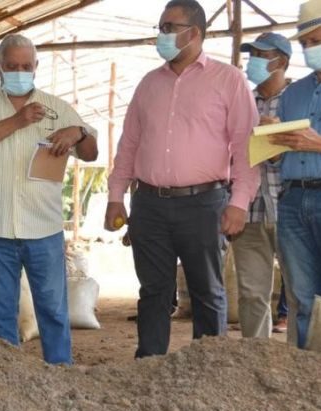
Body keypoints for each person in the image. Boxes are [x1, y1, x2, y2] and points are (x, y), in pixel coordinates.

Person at [105, 0, 260, 358]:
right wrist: (116, 196)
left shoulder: (228, 80)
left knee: (207, 292)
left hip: (204, 204)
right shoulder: (149, 84)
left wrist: (239, 203)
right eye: (160, 27)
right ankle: (150, 366)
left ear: (193, 33)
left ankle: (208, 368)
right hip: (149, 204)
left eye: (168, 27)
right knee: (153, 292)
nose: (161, 35)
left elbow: (246, 147)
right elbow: (129, 145)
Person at [0, 34, 98, 365]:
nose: (19, 72)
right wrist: (17, 122)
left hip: (43, 229)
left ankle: (59, 373)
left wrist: (79, 132)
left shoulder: (58, 108)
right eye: (12, 66)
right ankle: (8, 378)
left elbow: (91, 153)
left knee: (53, 310)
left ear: (36, 66)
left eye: (26, 66)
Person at [269, 0, 321, 348]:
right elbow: (279, 157)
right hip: (293, 198)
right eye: (304, 43)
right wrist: (271, 142)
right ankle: (307, 370)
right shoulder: (293, 93)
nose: (309, 49)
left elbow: (319, 144)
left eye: (316, 41)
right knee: (302, 297)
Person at [232, 33, 292, 339]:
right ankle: (256, 357)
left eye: (261, 55)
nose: (253, 61)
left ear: (282, 62)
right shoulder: (242, 102)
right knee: (252, 295)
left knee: (301, 292)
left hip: (292, 211)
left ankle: (303, 359)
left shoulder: (300, 99)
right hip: (251, 212)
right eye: (252, 55)